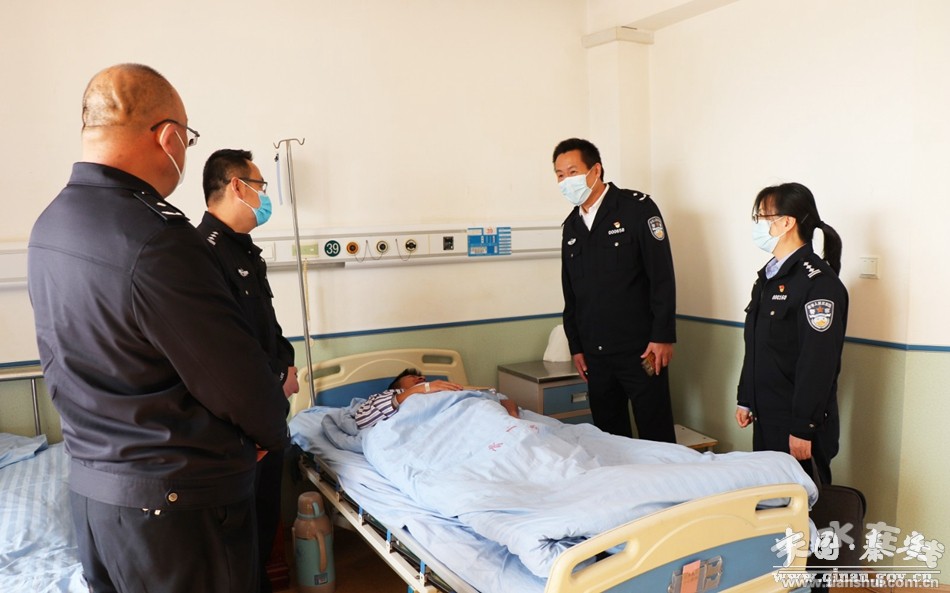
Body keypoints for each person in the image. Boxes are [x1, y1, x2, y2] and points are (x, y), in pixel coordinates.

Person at [27, 64, 290, 593]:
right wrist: (269, 433)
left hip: (97, 500)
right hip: (178, 512)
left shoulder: (50, 226)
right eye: (187, 141)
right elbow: (234, 381)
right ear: (169, 137)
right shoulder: (159, 239)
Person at [197, 148, 298, 593]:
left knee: (263, 523)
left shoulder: (244, 251)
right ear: (237, 187)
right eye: (260, 186)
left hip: (267, 413)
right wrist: (277, 378)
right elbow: (225, 348)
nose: (264, 196)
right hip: (240, 425)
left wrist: (286, 365)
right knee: (239, 542)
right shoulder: (202, 254)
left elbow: (267, 328)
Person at [553, 138, 677, 442]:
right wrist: (576, 346)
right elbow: (571, 293)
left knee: (656, 433)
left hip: (642, 350)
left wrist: (662, 336)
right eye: (560, 175)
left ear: (595, 170)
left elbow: (662, 276)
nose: (566, 181)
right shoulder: (572, 227)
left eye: (572, 172)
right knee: (609, 438)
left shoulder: (637, 209)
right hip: (596, 355)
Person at [735, 182, 848, 486]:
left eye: (762, 217)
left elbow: (818, 362)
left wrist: (802, 427)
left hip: (797, 423)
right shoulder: (769, 277)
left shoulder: (818, 284)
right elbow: (756, 346)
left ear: (786, 222)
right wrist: (746, 398)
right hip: (767, 413)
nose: (757, 225)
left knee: (804, 505)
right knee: (772, 502)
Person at [354, 368, 519, 429]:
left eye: (422, 378)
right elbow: (363, 420)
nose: (421, 378)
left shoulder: (447, 389)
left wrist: (513, 417)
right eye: (413, 377)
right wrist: (419, 389)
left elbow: (501, 400)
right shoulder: (386, 396)